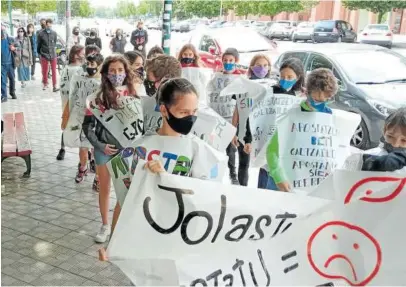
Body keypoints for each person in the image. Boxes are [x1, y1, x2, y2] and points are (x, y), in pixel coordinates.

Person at [82, 54, 142, 243]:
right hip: (104, 151)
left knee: (126, 188)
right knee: (105, 188)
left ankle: (121, 223)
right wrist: (100, 146)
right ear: (106, 74)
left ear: (126, 72)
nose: (117, 74)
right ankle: (105, 224)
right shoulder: (96, 98)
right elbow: (87, 126)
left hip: (129, 151)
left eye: (120, 70)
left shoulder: (135, 93)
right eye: (112, 71)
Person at [266, 68, 337, 192]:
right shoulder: (292, 115)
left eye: (326, 99)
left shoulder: (329, 115)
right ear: (306, 92)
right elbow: (272, 150)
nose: (321, 103)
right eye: (317, 100)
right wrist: (278, 177)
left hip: (312, 181)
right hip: (284, 180)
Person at [257, 57, 305, 190]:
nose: (285, 80)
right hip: (269, 151)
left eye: (290, 77)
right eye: (282, 76)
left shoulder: (304, 97)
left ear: (299, 77)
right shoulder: (270, 92)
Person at [230, 54, 273, 187]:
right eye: (259, 65)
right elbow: (237, 109)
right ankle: (243, 189)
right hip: (246, 128)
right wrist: (233, 131)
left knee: (265, 163)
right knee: (244, 163)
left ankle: (263, 190)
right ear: (252, 67)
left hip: (263, 130)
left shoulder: (272, 87)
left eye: (265, 65)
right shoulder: (244, 85)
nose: (262, 68)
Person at [67, 53, 104, 184]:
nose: (89, 67)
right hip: (82, 120)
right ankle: (83, 167)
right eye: (87, 64)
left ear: (99, 66)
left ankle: (98, 177)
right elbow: (73, 97)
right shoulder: (81, 79)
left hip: (97, 121)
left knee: (97, 149)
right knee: (83, 148)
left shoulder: (103, 83)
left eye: (92, 64)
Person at [57, 44, 86, 161]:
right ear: (76, 55)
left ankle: (62, 149)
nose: (84, 56)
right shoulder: (79, 70)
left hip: (65, 102)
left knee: (65, 124)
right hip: (76, 103)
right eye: (82, 53)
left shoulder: (65, 68)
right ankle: (85, 157)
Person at [360, 108, 406, 172]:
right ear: (384, 131)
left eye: (404, 140)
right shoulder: (370, 156)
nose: (395, 144)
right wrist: (369, 164)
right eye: (390, 136)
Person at [37, 19, 60, 92]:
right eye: (48, 25)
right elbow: (39, 45)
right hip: (44, 54)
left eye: (51, 25)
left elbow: (54, 43)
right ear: (45, 25)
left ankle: (54, 86)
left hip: (53, 54)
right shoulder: (41, 34)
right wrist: (40, 53)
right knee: (45, 71)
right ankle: (45, 83)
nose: (49, 27)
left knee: (54, 71)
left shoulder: (54, 33)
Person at [1, 23, 17, 102]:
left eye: (3, 30)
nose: (2, 32)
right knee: (2, 80)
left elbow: (18, 46)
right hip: (2, 64)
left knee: (12, 79)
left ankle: (12, 92)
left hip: (10, 63)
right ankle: (4, 96)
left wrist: (14, 48)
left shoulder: (10, 39)